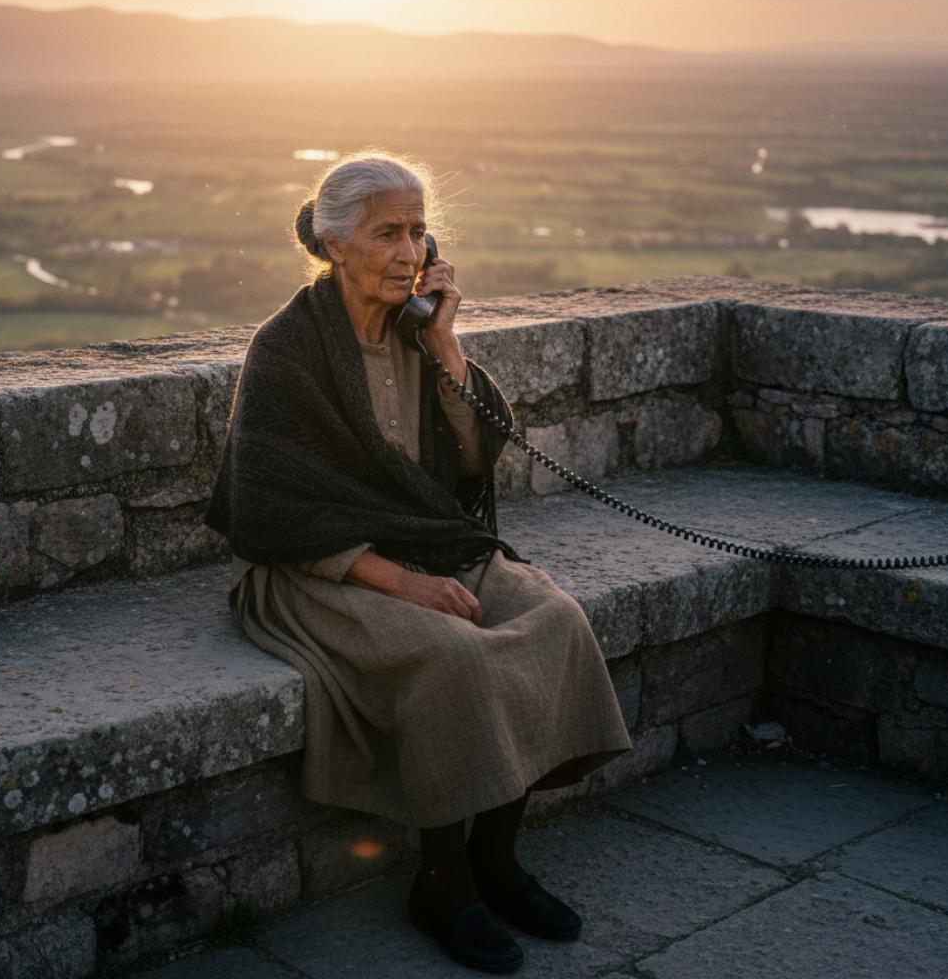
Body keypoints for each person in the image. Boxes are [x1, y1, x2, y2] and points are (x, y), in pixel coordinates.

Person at [204, 150, 632, 973]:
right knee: (452, 655)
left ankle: (495, 859)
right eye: (387, 234)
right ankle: (443, 883)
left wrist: (444, 341)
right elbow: (269, 509)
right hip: (318, 568)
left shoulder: (418, 334)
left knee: (556, 618)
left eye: (417, 233)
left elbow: (471, 463)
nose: (408, 253)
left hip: (431, 539)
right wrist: (406, 583)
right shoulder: (287, 348)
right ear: (335, 244)